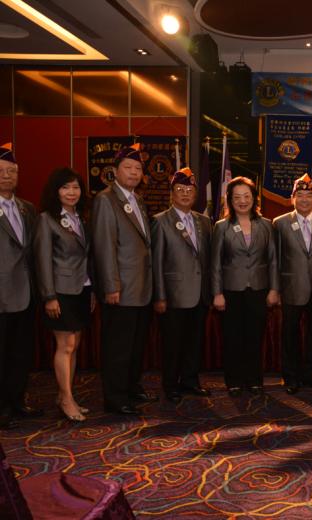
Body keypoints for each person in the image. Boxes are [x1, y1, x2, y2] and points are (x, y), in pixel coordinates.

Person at [93, 143, 157, 415]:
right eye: (128, 167)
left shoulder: (137, 199)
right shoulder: (106, 200)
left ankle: (131, 387)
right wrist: (111, 286)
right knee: (118, 347)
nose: (133, 173)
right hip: (120, 289)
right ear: (115, 171)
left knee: (135, 345)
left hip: (141, 288)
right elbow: (104, 246)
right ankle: (115, 398)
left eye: (138, 168)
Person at [34, 168, 94, 421]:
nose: (71, 192)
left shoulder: (82, 218)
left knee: (75, 344)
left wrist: (92, 290)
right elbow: (42, 260)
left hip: (82, 288)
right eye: (65, 187)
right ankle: (66, 400)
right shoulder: (47, 219)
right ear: (55, 191)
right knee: (66, 345)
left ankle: (65, 394)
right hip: (60, 291)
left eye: (76, 187)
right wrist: (49, 296)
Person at [211, 176, 279, 396]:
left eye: (246, 196)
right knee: (233, 337)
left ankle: (254, 379)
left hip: (259, 289)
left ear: (254, 198)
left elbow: (273, 260)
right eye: (237, 197)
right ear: (230, 200)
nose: (242, 201)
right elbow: (215, 263)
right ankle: (234, 381)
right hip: (231, 291)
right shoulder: (222, 226)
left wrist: (274, 289)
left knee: (254, 337)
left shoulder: (266, 225)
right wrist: (217, 293)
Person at [151, 167, 212, 404]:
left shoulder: (204, 221)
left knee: (194, 342)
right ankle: (170, 385)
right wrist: (159, 296)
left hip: (200, 294)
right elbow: (157, 261)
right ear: (172, 193)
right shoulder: (161, 221)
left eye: (189, 189)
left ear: (196, 193)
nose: (185, 193)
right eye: (180, 189)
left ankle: (190, 381)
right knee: (172, 343)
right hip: (173, 295)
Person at [272, 173, 312, 395]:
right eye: (300, 195)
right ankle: (291, 377)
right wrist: (276, 288)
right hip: (291, 287)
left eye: (309, 195)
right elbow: (275, 260)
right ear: (292, 198)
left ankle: (311, 375)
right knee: (290, 334)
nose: (304, 199)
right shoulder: (280, 223)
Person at [0, 143, 41, 430]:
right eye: (1, 171)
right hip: (1, 293)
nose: (6, 176)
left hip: (26, 293)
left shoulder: (28, 208)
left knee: (20, 352)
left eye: (11, 172)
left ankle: (16, 401)